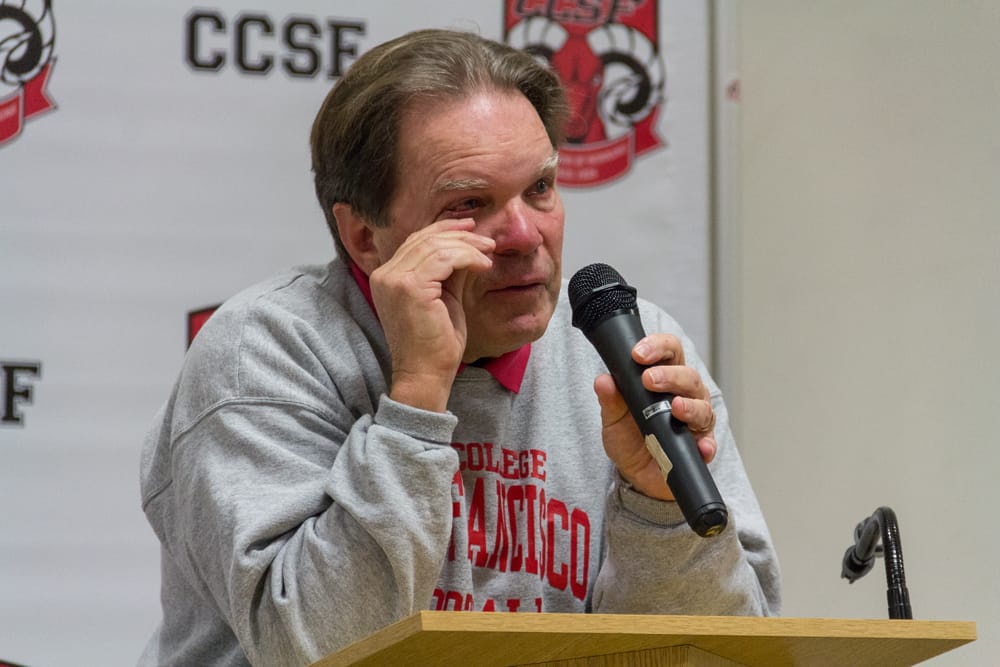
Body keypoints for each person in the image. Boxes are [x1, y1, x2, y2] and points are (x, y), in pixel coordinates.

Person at [139, 28, 780, 667]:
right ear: (364, 237)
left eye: (540, 189)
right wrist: (417, 395)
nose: (526, 235)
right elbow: (309, 649)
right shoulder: (268, 349)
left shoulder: (624, 350)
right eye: (471, 203)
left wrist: (658, 509)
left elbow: (725, 652)